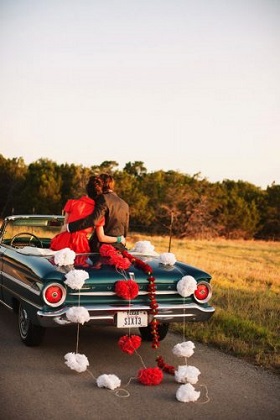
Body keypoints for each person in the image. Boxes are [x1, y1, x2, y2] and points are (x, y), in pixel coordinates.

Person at [51, 175, 125, 253]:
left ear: (87, 189)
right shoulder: (98, 213)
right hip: (80, 245)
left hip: (63, 240)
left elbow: (64, 228)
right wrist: (119, 239)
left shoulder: (71, 203)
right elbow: (102, 238)